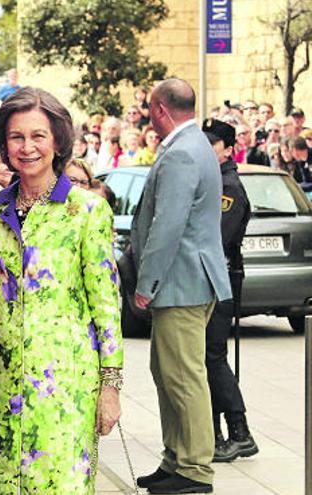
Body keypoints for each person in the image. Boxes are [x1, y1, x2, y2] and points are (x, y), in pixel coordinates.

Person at [0, 87, 123, 494]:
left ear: (57, 142)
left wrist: (110, 387)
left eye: (39, 136)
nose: (27, 147)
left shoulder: (87, 212)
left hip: (67, 392)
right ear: (3, 142)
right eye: (17, 137)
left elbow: (106, 306)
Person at [131, 79, 232, 494]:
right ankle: (176, 459)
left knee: (184, 377)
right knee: (168, 371)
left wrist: (146, 282)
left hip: (180, 281)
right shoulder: (194, 145)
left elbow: (167, 225)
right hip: (188, 279)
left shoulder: (182, 153)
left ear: (158, 108)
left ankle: (193, 470)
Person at [199, 119, 257, 464]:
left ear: (228, 150)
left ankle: (240, 432)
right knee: (205, 359)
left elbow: (215, 239)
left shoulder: (228, 188)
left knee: (213, 357)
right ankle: (215, 434)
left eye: (213, 144)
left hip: (220, 280)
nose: (207, 149)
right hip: (210, 279)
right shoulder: (213, 180)